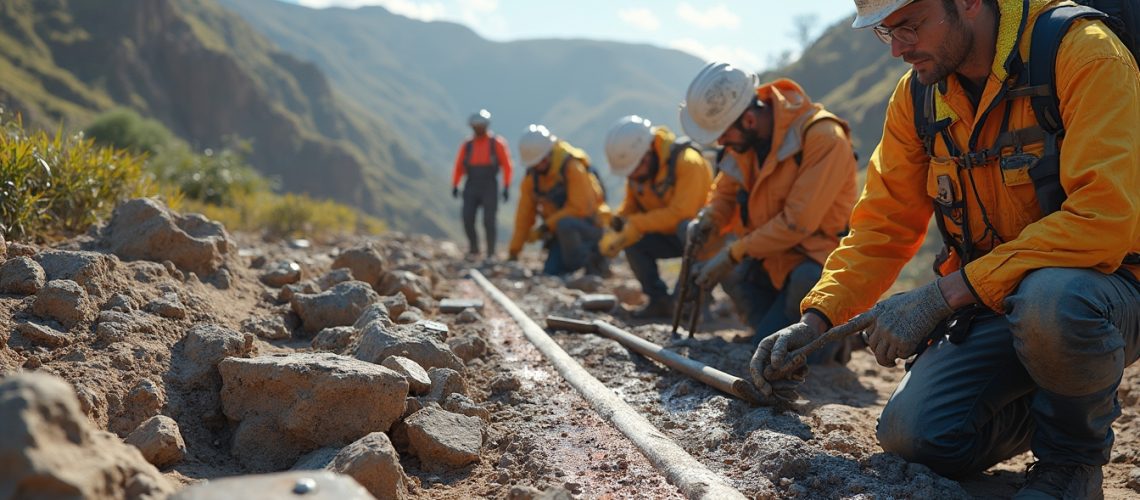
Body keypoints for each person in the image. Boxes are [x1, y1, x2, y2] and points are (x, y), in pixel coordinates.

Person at [750, 0, 1140, 497]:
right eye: (885, 33)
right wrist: (817, 319)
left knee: (1051, 298)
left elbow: (1101, 221)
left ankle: (1071, 463)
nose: (897, 49)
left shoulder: (1084, 54)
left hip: (1104, 292)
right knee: (914, 438)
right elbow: (882, 226)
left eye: (910, 26)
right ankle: (1064, 397)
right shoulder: (917, 97)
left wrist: (944, 295)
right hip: (992, 300)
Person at [679, 62, 858, 356]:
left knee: (776, 352)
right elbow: (725, 192)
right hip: (769, 260)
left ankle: (831, 341)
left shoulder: (823, 137)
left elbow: (796, 223)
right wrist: (709, 217)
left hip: (813, 266)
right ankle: (780, 332)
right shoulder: (746, 143)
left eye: (723, 135)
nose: (721, 143)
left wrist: (734, 252)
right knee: (764, 340)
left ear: (748, 120)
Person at [599, 115, 713, 318]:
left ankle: (690, 301)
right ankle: (658, 300)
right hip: (671, 236)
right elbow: (631, 206)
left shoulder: (688, 162)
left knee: (687, 228)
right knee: (634, 243)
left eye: (635, 169)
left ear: (648, 152)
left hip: (705, 240)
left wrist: (635, 223)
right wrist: (620, 221)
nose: (632, 176)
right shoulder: (639, 173)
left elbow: (682, 213)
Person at [508, 124, 610, 276]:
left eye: (540, 161)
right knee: (551, 271)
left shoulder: (572, 167)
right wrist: (514, 251)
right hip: (560, 232)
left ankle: (595, 259)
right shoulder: (532, 178)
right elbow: (524, 214)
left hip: (589, 227)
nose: (538, 166)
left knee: (566, 225)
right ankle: (575, 266)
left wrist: (546, 227)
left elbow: (579, 209)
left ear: (548, 153)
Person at [451, 109, 513, 258]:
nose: (478, 129)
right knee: (467, 217)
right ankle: (474, 248)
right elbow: (459, 166)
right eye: (476, 126)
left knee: (489, 220)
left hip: (489, 185)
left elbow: (507, 165)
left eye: (481, 126)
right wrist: (455, 184)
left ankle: (491, 252)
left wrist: (506, 186)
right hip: (471, 184)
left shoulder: (497, 143)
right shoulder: (467, 145)